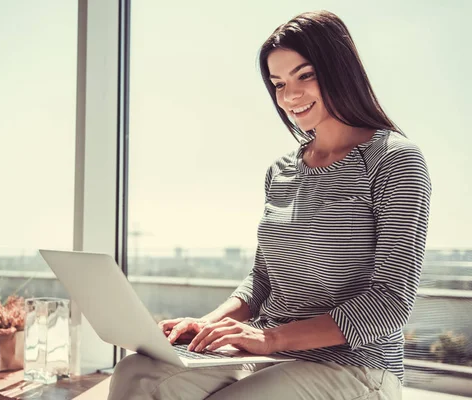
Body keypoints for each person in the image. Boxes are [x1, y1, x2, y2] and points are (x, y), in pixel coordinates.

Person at [108, 9, 431, 400]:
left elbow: (391, 301)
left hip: (354, 365)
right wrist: (205, 324)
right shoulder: (280, 171)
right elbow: (262, 280)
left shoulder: (395, 160)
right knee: (136, 374)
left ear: (340, 69)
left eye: (305, 75)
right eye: (278, 83)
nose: (290, 96)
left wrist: (272, 337)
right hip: (267, 352)